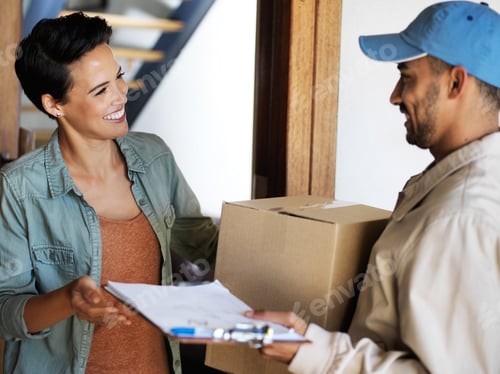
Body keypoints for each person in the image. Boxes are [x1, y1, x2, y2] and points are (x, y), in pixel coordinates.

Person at [246, 1, 500, 372]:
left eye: (407, 77)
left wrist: (312, 350)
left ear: (456, 82)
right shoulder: (461, 188)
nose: (395, 96)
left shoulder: (459, 216)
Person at [0, 11, 218, 374]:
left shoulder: (156, 158)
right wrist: (68, 300)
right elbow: (5, 312)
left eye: (117, 77)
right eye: (101, 90)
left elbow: (203, 246)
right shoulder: (20, 188)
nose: (121, 94)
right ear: (55, 105)